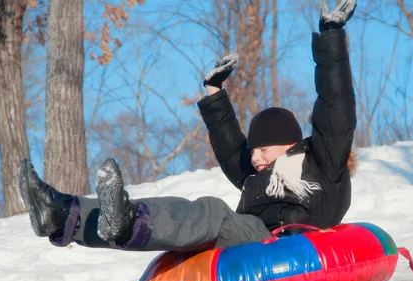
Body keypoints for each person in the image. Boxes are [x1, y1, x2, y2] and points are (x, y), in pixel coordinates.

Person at [19, 0, 358, 252]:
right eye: (253, 150)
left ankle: (126, 223)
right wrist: (214, 92)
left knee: (214, 212)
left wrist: (331, 37)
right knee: (189, 209)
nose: (254, 157)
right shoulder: (257, 176)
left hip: (284, 245)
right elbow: (229, 147)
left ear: (289, 144)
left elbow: (336, 106)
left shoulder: (322, 164)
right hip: (249, 238)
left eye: (263, 149)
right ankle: (64, 214)